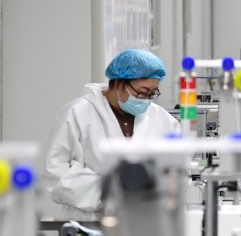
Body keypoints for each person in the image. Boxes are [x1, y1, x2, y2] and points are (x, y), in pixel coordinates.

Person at [44, 49, 179, 219]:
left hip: (144, 218)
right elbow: (56, 171)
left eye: (153, 93)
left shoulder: (163, 120)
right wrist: (108, 192)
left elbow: (177, 170)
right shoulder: (78, 113)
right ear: (118, 83)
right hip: (88, 220)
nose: (147, 99)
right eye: (142, 92)